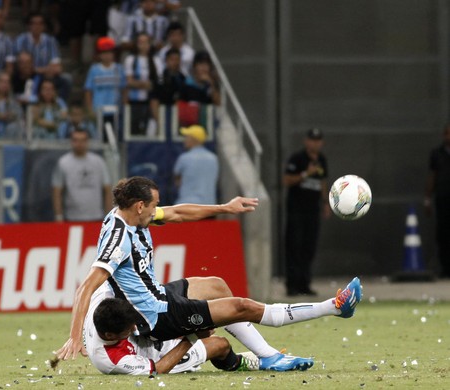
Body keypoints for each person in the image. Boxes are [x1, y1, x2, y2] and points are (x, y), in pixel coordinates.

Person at [56, 176, 362, 363]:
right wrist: (74, 337)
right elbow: (86, 286)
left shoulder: (130, 215)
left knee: (216, 285)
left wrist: (225, 208)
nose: (157, 209)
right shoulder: (119, 239)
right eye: (153, 205)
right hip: (156, 317)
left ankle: (267, 355)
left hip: (158, 295)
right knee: (242, 306)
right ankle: (334, 308)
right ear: (139, 206)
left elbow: (177, 213)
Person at [86, 297, 270, 375]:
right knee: (220, 345)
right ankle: (237, 363)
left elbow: (89, 287)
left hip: (152, 336)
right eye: (128, 329)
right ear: (110, 335)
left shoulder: (101, 308)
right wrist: (192, 337)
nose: (134, 328)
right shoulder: (111, 358)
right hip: (156, 357)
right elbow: (158, 369)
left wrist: (73, 336)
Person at [283, 128, 331, 296]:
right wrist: (305, 174)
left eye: (318, 140)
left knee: (308, 248)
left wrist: (325, 202)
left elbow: (323, 182)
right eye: (312, 140)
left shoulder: (322, 160)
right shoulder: (297, 159)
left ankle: (305, 284)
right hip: (296, 211)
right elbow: (287, 180)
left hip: (313, 211)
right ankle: (291, 285)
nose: (315, 143)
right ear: (306, 141)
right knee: (294, 247)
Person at [51, 128, 112, 222]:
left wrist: (109, 217)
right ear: (71, 142)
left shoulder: (98, 162)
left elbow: (107, 190)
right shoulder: (63, 163)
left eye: (83, 140)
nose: (79, 144)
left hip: (96, 217)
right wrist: (58, 216)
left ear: (87, 142)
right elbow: (57, 191)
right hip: (71, 217)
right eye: (76, 140)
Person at [14, 12, 70, 100]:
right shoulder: (21, 40)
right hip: (26, 76)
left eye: (40, 23)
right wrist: (45, 69)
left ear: (44, 26)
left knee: (66, 79)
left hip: (45, 76)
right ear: (29, 25)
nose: (37, 26)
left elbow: (57, 68)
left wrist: (35, 70)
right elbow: (21, 64)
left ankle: (60, 107)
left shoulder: (51, 41)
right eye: (34, 23)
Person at [124, 32, 162, 136]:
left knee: (148, 130)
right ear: (136, 44)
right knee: (133, 130)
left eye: (146, 42)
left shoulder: (156, 60)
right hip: (134, 101)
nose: (143, 45)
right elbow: (129, 82)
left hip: (149, 102)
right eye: (141, 42)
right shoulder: (130, 60)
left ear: (150, 44)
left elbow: (156, 83)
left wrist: (138, 84)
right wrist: (146, 85)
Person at [84, 36, 126, 131]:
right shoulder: (94, 69)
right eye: (104, 53)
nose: (107, 55)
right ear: (99, 55)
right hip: (98, 109)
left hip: (115, 109)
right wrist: (90, 110)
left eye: (109, 52)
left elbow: (124, 89)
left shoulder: (119, 69)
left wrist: (124, 106)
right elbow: (88, 91)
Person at [425, 124, 450, 278]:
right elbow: (432, 176)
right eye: (447, 134)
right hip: (443, 199)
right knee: (443, 234)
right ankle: (446, 268)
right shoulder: (437, 154)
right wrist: (427, 199)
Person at [173, 125, 218, 205]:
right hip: (209, 206)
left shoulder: (184, 158)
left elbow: (177, 181)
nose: (185, 140)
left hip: (187, 206)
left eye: (187, 137)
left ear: (193, 139)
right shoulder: (213, 158)